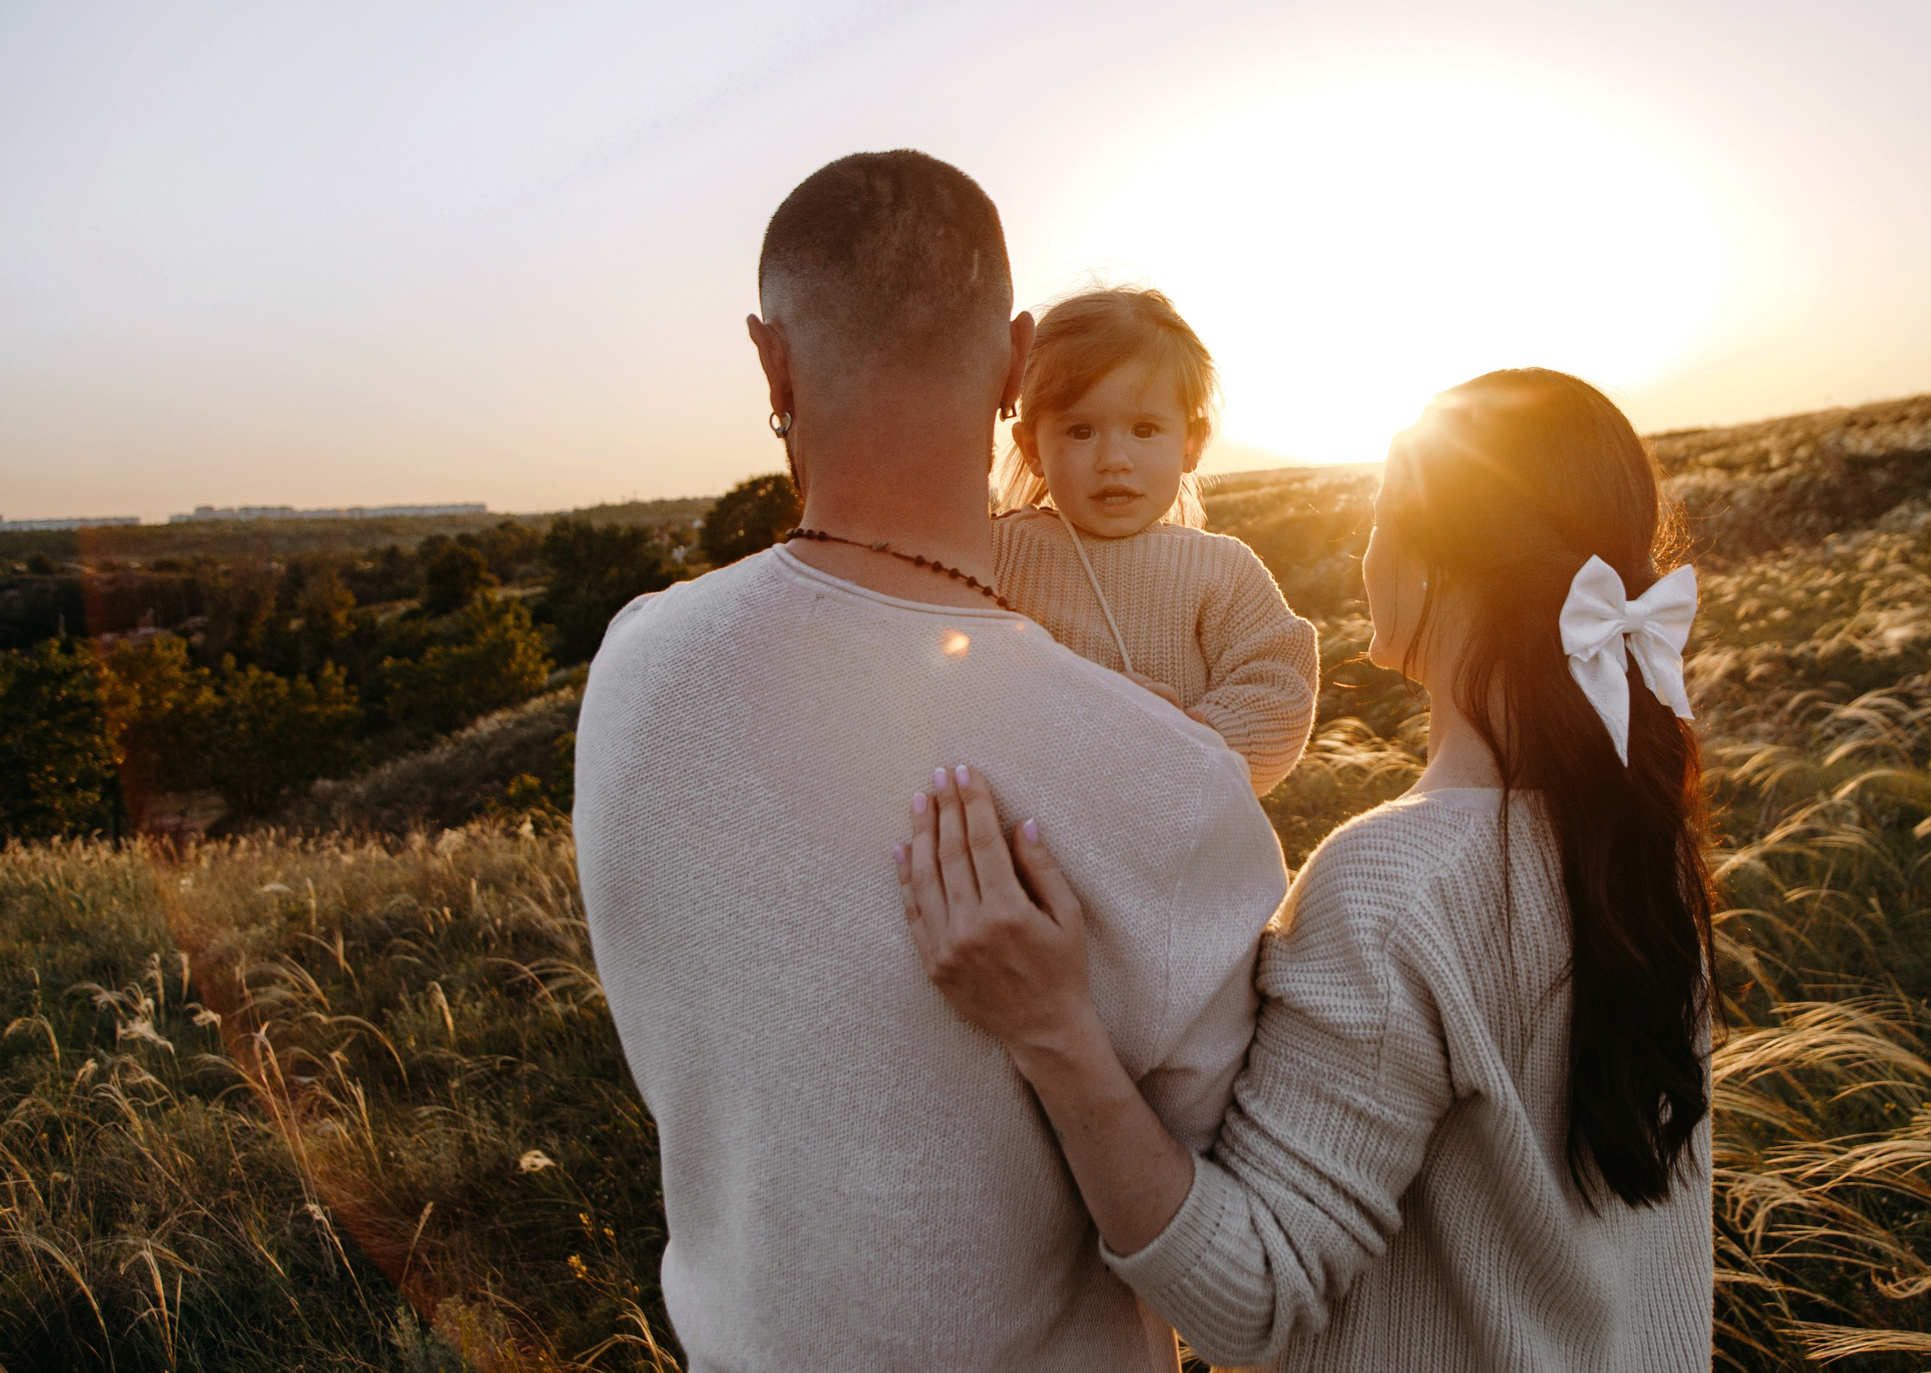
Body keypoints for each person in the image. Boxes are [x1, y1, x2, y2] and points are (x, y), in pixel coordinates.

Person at [575, 151, 1289, 1373]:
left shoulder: (634, 666)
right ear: (1017, 365)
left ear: (772, 361)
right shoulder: (1171, 783)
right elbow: (1237, 1294)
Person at [898, 368, 1718, 1371]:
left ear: (1427, 562)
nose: (1363, 556)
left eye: (1377, 523)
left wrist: (1051, 1026)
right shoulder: (1639, 844)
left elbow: (1250, 1298)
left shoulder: (1396, 882)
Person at [994, 286, 1320, 796]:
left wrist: (1192, 737)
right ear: (1034, 448)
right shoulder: (1000, 549)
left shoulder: (1219, 568)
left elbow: (1279, 685)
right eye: (1081, 431)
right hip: (1029, 831)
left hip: (1174, 826)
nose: (1114, 458)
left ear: (1192, 443)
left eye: (1144, 429)